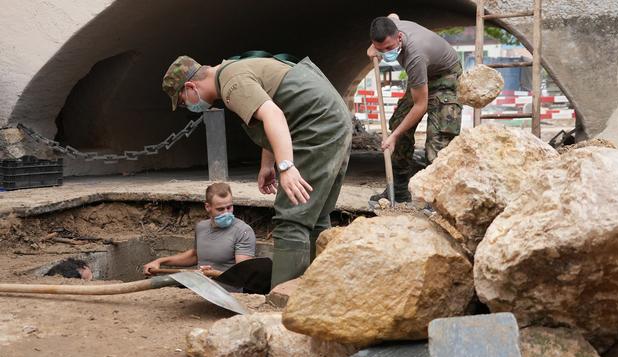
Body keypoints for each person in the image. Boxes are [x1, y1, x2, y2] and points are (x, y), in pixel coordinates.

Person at [161, 53, 351, 287]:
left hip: (316, 126)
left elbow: (274, 114)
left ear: (190, 85)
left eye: (183, 101)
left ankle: (283, 299)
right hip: (332, 121)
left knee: (292, 218)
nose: (188, 106)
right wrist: (267, 165)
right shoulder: (235, 71)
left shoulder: (232, 83)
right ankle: (318, 290)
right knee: (315, 215)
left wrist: (286, 166)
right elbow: (277, 110)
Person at [367, 13, 463, 203]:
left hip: (446, 77)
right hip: (424, 76)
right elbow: (392, 15)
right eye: (381, 49)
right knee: (398, 124)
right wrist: (372, 49)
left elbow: (421, 105)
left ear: (399, 37)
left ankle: (437, 201)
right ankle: (399, 190)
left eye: (389, 48)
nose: (386, 53)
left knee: (438, 140)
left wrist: (393, 137)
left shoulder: (415, 55)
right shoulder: (392, 25)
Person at [142, 183, 256, 288]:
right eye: (220, 209)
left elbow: (242, 274)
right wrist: (160, 261)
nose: (226, 213)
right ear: (208, 207)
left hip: (227, 295)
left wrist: (213, 273)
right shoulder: (202, 227)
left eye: (229, 207)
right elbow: (195, 256)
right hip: (200, 289)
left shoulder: (243, 231)